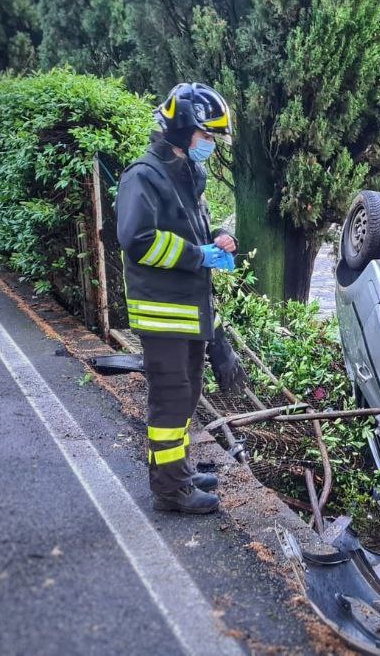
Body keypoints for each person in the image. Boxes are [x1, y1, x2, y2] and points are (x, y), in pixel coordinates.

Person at [116, 82, 237, 514]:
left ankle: (179, 471)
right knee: (170, 401)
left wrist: (218, 240)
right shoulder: (144, 175)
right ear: (186, 129)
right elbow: (137, 240)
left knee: (185, 397)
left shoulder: (186, 175)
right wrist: (195, 255)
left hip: (187, 311)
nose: (211, 144)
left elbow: (194, 231)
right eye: (208, 136)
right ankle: (171, 492)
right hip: (163, 313)